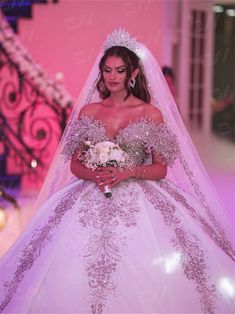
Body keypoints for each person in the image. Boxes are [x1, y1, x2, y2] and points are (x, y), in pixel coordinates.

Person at [0, 28, 235, 314]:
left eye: (120, 71)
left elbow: (160, 168)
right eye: (108, 70)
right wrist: (91, 174)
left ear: (133, 73)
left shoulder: (150, 114)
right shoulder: (88, 111)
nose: (112, 77)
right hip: (89, 191)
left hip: (139, 194)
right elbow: (75, 163)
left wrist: (128, 172)